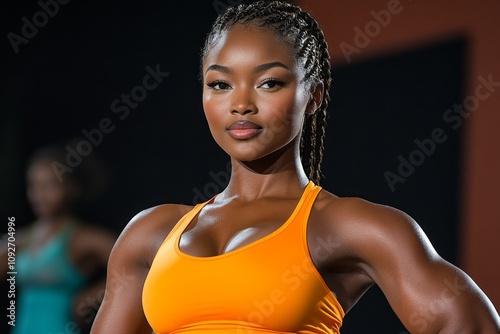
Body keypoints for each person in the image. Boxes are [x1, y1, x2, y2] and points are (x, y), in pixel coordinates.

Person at [91, 1, 500, 333]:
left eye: (270, 83)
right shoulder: (150, 234)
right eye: (220, 84)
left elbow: (470, 324)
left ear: (315, 96)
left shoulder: (346, 227)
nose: (241, 103)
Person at [1, 146, 116, 334]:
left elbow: (133, 267)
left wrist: (93, 297)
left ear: (72, 188)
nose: (40, 194)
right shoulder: (21, 240)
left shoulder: (82, 239)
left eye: (49, 185)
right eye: (33, 186)